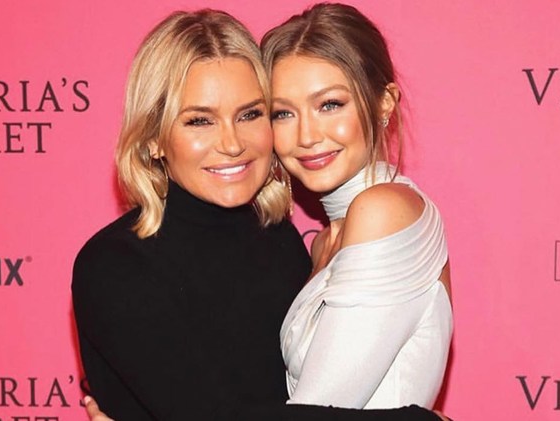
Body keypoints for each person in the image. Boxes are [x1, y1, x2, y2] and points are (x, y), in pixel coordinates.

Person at [73, 8, 446, 421]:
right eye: (200, 121)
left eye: (250, 114)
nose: (232, 143)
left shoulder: (280, 241)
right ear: (153, 138)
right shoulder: (115, 265)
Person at [260, 2, 453, 410]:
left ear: (384, 103)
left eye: (330, 104)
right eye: (283, 113)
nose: (307, 135)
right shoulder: (324, 242)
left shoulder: (384, 211)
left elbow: (317, 411)